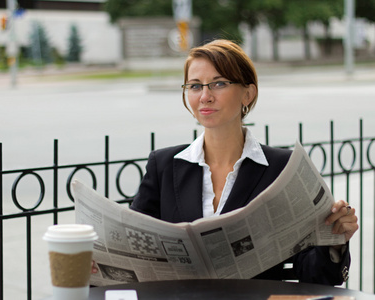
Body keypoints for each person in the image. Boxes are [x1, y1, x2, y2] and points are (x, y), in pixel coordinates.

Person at [94, 39, 359, 285]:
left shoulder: (284, 168)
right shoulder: (163, 165)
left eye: (218, 84)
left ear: (247, 94)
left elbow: (317, 276)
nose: (204, 96)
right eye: (195, 85)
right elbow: (131, 253)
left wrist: (334, 243)